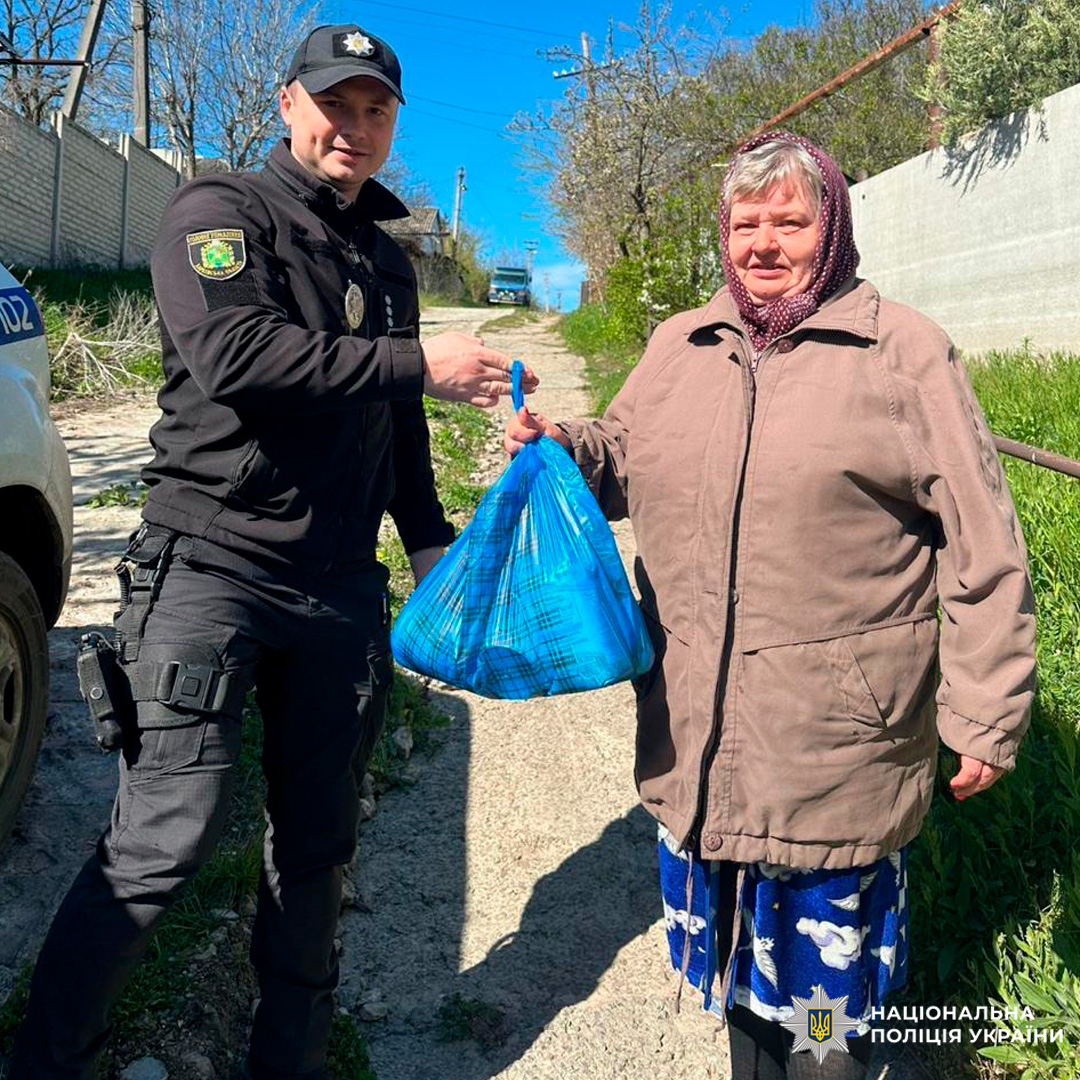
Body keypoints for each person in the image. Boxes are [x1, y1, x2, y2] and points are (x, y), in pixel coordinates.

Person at [13, 22, 536, 1080]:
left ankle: (287, 1061)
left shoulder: (385, 258)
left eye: (374, 110)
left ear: (393, 126)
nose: (353, 126)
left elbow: (399, 423)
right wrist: (413, 360)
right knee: (166, 834)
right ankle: (42, 1057)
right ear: (289, 106)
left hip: (339, 585)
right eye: (333, 104)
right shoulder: (217, 213)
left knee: (316, 843)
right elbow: (236, 354)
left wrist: (428, 542)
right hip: (211, 568)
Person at [505, 133, 1035, 1079]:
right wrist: (562, 448)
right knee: (740, 993)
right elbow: (624, 454)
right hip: (699, 738)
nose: (763, 242)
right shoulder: (682, 344)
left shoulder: (901, 351)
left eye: (790, 220)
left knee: (825, 1025)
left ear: (832, 227)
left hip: (835, 749)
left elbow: (983, 543)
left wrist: (985, 712)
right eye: (746, 222)